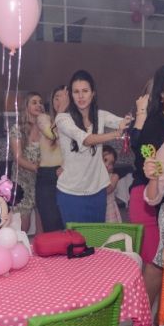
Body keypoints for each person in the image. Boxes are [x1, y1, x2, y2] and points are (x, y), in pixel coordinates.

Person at [130, 65, 164, 303]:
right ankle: (140, 319)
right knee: (155, 264)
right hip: (148, 200)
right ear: (162, 94)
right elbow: (147, 165)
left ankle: (163, 324)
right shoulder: (153, 124)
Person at [55, 70, 130, 224]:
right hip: (71, 193)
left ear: (93, 93)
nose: (81, 96)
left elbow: (122, 122)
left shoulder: (100, 115)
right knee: (75, 244)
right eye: (76, 92)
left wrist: (131, 118)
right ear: (71, 95)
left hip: (97, 191)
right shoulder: (63, 119)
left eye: (85, 91)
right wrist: (115, 134)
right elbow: (86, 140)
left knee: (96, 243)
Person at [35, 85, 67, 232]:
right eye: (56, 97)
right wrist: (61, 111)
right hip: (47, 176)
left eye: (64, 97)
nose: (60, 100)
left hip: (67, 174)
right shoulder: (44, 118)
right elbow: (51, 134)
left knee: (67, 225)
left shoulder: (73, 122)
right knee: (52, 225)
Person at [10, 92, 42, 233]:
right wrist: (36, 167)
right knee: (23, 225)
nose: (38, 105)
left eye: (40, 102)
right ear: (26, 106)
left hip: (41, 180)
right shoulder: (17, 129)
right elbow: (18, 158)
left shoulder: (45, 128)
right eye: (34, 102)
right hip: (22, 181)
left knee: (44, 219)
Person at [102, 145, 121, 223]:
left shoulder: (114, 176)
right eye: (105, 160)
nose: (107, 165)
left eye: (111, 163)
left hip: (109, 210)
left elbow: (108, 190)